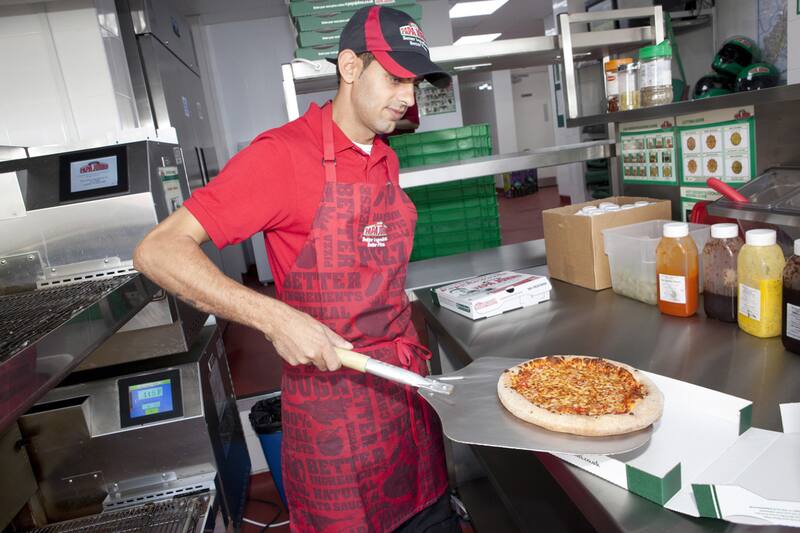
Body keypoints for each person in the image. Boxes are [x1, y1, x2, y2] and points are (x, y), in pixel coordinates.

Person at [133, 5, 459, 533]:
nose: (408, 96)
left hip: (404, 393)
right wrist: (275, 318)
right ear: (349, 66)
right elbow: (159, 251)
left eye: (414, 83)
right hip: (335, 414)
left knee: (431, 516)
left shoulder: (385, 156)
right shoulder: (281, 156)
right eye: (396, 78)